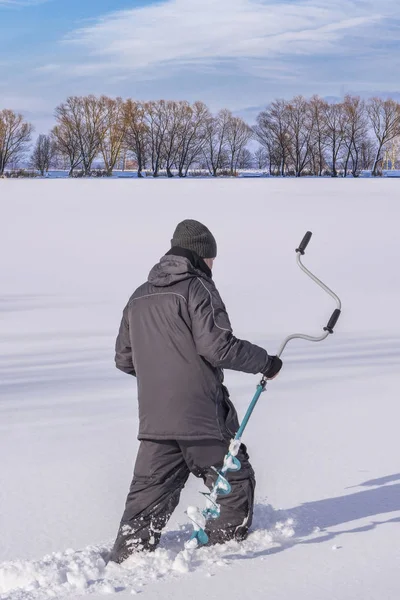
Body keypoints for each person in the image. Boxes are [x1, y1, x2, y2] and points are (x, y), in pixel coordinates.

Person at [109, 219, 282, 564]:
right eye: (212, 259)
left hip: (155, 421)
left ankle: (126, 562)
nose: (213, 266)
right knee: (233, 481)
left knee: (146, 499)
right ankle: (220, 559)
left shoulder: (138, 296)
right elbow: (219, 347)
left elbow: (124, 359)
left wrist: (161, 374)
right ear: (200, 255)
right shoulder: (197, 288)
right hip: (201, 415)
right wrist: (266, 362)